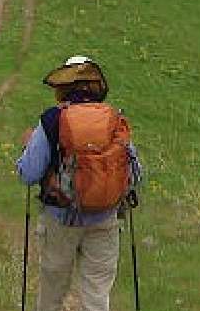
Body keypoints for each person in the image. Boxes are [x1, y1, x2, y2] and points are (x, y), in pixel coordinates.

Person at [17, 55, 142, 311]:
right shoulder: (114, 120)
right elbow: (136, 173)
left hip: (60, 219)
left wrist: (28, 148)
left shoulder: (53, 120)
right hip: (105, 218)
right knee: (96, 296)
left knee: (52, 294)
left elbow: (28, 173)